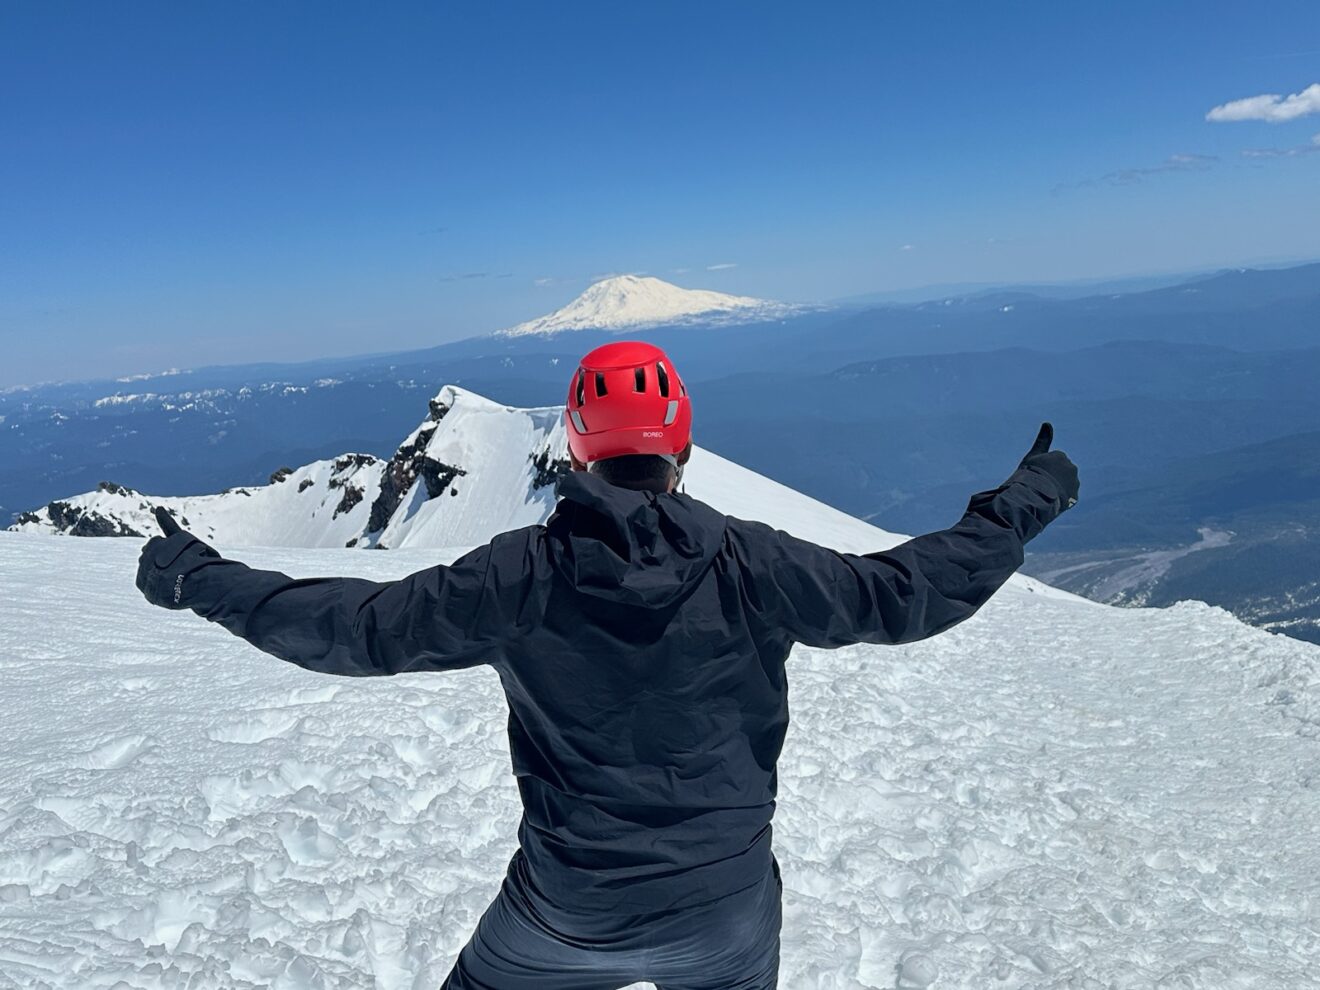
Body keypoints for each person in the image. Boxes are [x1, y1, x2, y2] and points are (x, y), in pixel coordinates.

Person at [136, 340, 1080, 989]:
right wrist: (1020, 504)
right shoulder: (754, 562)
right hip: (724, 903)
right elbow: (904, 593)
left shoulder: (520, 574)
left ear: (577, 452)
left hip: (566, 909)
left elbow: (358, 628)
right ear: (683, 444)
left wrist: (203, 580)